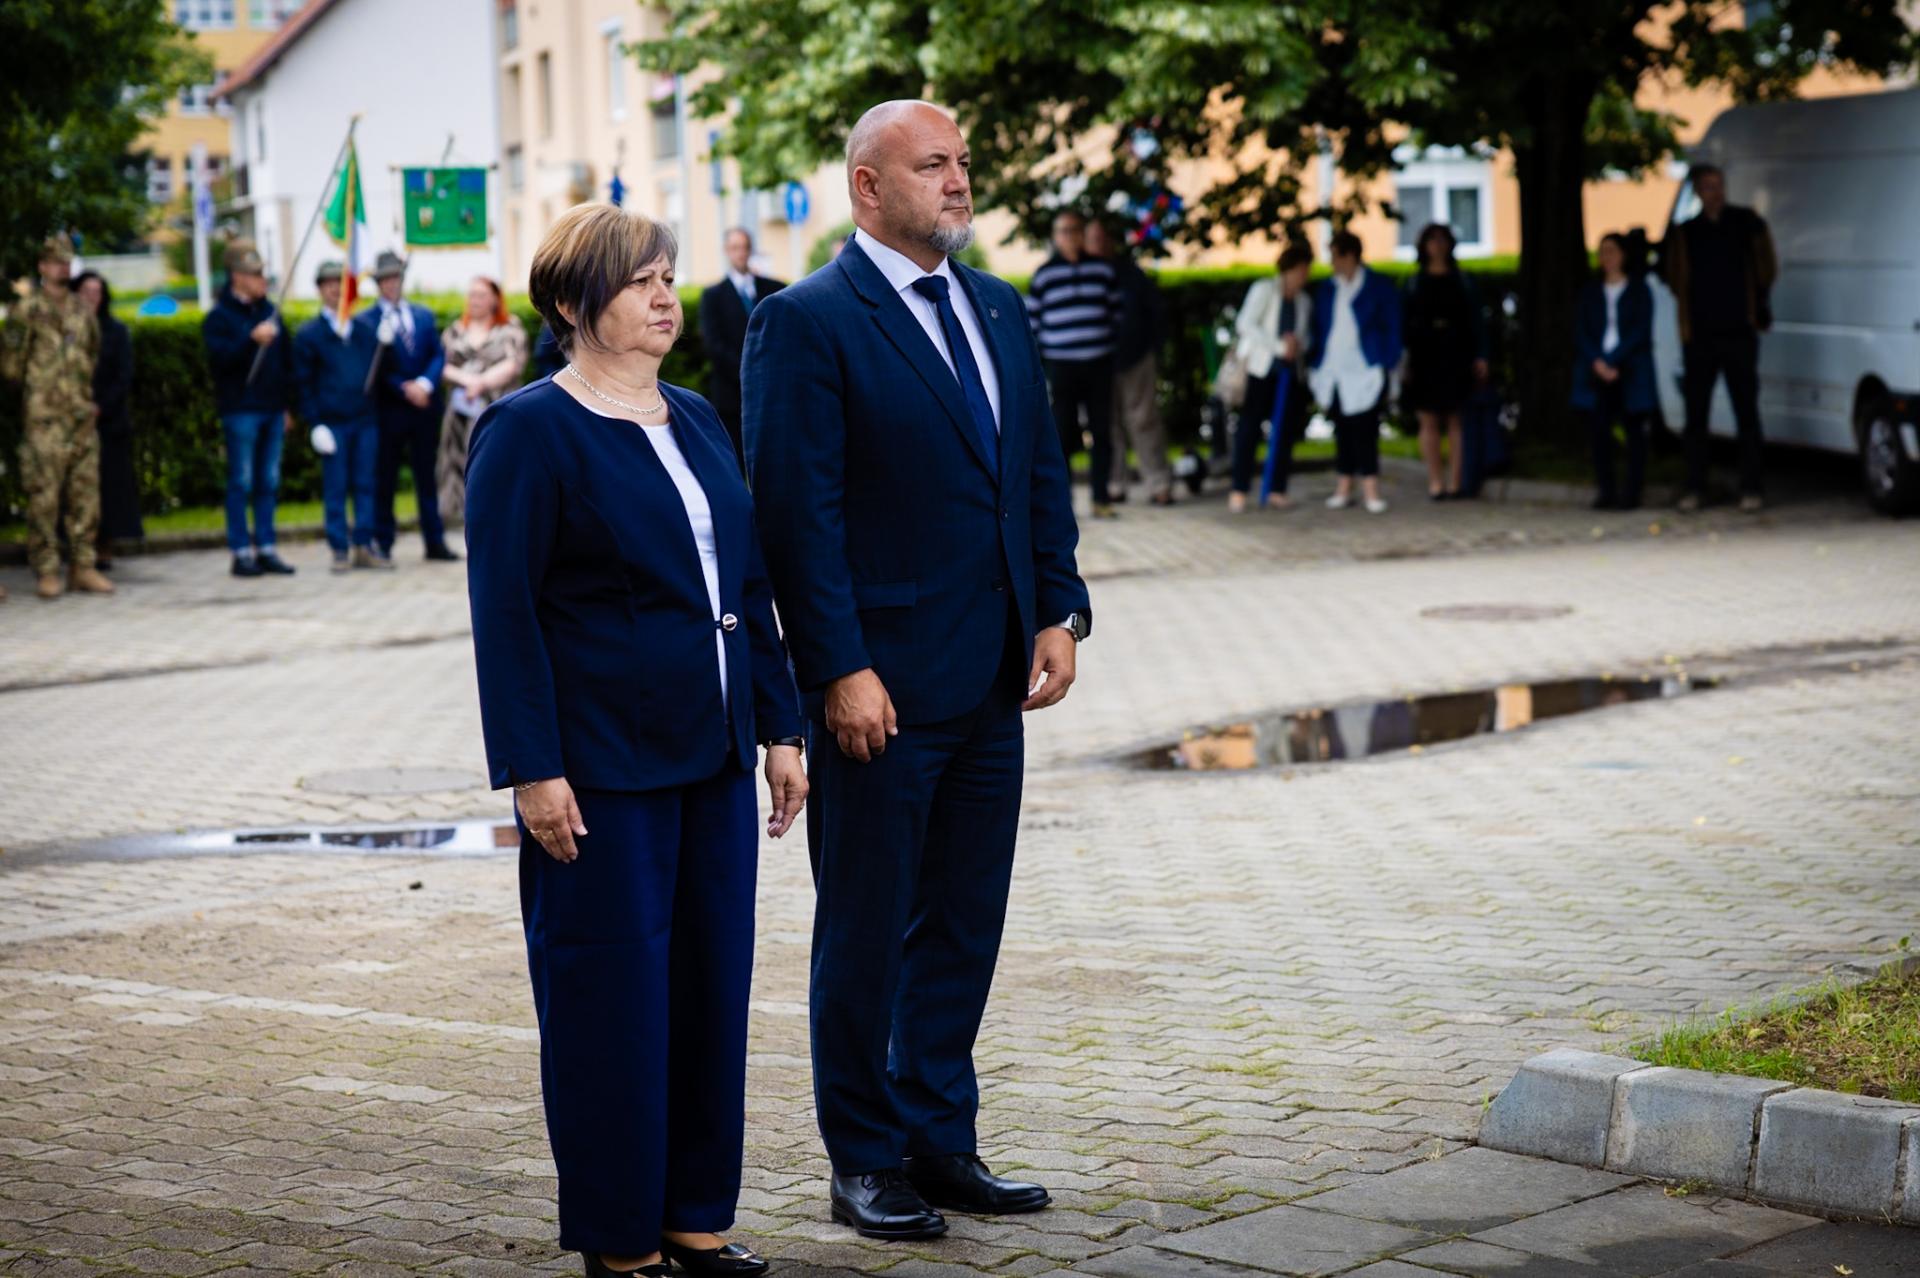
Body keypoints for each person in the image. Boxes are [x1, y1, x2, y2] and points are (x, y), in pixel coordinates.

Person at [744, 99, 1090, 1244]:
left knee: (962, 924)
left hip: (993, 682)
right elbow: (797, 518)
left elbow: (1033, 471)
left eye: (963, 161)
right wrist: (837, 668)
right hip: (879, 694)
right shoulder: (807, 322)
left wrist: (1059, 607)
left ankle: (940, 1138)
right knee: (867, 927)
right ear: (867, 185)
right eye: (933, 164)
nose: (958, 180)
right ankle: (864, 1156)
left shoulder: (996, 305)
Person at [466, 203, 806, 1278]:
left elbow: (746, 585)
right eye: (640, 282)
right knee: (609, 1006)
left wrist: (781, 724)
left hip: (714, 758)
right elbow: (506, 616)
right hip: (601, 772)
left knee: (708, 992)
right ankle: (619, 1243)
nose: (666, 297)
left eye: (669, 276)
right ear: (575, 304)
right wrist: (532, 769)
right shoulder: (529, 431)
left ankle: (694, 1217)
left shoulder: (696, 417)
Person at [1, 233, 110, 600]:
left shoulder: (82, 310)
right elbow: (11, 368)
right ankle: (47, 570)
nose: (62, 268)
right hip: (44, 419)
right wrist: (40, 393)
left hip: (80, 416)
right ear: (42, 266)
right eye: (55, 262)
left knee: (85, 495)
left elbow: (92, 353)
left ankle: (83, 566)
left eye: (66, 262)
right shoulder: (26, 311)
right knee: (43, 497)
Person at [1663, 164, 1776, 512]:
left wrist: (1756, 306)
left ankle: (1751, 487)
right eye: (1709, 187)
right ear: (1698, 192)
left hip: (1739, 332)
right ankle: (1696, 486)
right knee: (1696, 415)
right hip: (1700, 335)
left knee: (1747, 412)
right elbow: (1673, 276)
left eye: (1719, 185)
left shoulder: (1745, 223)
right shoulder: (1687, 233)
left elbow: (1767, 266)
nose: (1716, 192)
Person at [202, 241, 296, 578]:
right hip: (240, 410)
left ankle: (266, 547)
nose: (262, 280)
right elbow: (219, 362)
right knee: (241, 482)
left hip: (272, 409)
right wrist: (250, 340)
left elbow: (285, 364)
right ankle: (241, 551)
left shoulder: (271, 312)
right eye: (255, 275)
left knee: (268, 481)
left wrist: (286, 406)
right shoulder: (219, 318)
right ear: (237, 277)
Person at [358, 250, 457, 562]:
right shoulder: (367, 321)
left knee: (427, 476)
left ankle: (434, 541)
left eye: (395, 278)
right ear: (378, 284)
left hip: (424, 407)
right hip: (390, 410)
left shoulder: (422, 315)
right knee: (385, 477)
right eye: (385, 279)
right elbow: (373, 368)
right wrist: (403, 387)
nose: (391, 284)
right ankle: (384, 540)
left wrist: (425, 384)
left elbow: (436, 354)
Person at [1025, 209, 1121, 517]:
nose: (1069, 236)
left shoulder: (1103, 271)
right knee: (1061, 434)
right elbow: (1033, 324)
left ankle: (1101, 499)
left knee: (1102, 432)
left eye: (1074, 230)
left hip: (1099, 363)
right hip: (1061, 365)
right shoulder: (1044, 275)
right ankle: (1062, 502)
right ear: (1055, 237)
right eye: (1063, 231)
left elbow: (1116, 316)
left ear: (1082, 234)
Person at [295, 261, 385, 572]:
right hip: (332, 422)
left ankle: (364, 543)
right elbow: (304, 383)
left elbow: (379, 374)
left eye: (340, 283)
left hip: (364, 420)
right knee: (336, 487)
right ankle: (339, 548)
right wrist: (315, 423)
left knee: (366, 484)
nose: (335, 289)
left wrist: (386, 345)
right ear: (320, 289)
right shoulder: (310, 334)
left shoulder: (363, 331)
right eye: (328, 283)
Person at [1309, 231, 1401, 514]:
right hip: (1334, 369)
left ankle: (1370, 488)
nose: (1332, 262)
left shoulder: (1376, 285)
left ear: (1349, 255)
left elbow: (1392, 327)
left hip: (1365, 369)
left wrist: (1388, 361)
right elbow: (1318, 327)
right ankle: (1344, 486)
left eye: (1335, 255)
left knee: (1366, 429)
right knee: (1343, 429)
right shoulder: (1328, 288)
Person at [1084, 218, 1172, 505]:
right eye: (1092, 239)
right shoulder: (1081, 273)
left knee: (1144, 420)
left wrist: (1153, 349)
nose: (1098, 244)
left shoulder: (1130, 274)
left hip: (1135, 357)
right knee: (1106, 426)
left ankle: (1158, 482)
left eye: (1102, 238)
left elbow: (1154, 312)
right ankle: (1114, 483)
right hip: (1097, 362)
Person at [1400, 224, 1489, 500]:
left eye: (1442, 240)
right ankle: (1435, 481)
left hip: (1456, 354)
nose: (1437, 246)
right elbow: (1405, 324)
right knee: (1428, 418)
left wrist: (1481, 354)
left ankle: (1456, 481)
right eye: (1432, 241)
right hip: (1425, 356)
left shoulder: (1463, 280)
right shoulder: (1415, 282)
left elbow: (1476, 321)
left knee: (1456, 418)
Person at [1572, 233, 1656, 511]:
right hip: (1597, 370)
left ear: (1623, 255)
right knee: (1599, 431)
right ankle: (1606, 490)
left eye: (1612, 251)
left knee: (1634, 432)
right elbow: (1581, 331)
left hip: (1629, 369)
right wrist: (1598, 361)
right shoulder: (1590, 291)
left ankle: (1631, 492)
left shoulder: (1638, 290)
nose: (1606, 257)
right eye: (1602, 252)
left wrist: (1613, 359)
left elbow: (1640, 331)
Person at [1228, 244, 1315, 512]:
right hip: (1260, 370)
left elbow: (1306, 336)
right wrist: (1278, 346)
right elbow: (1246, 324)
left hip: (1288, 374)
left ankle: (1277, 488)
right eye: (1301, 270)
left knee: (1285, 431)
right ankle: (1239, 488)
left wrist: (1297, 345)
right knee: (1249, 428)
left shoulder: (1303, 302)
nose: (1304, 276)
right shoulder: (1265, 290)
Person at [437, 276, 527, 525]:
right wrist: (467, 380)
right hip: (461, 413)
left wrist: (482, 383)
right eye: (472, 295)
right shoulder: (455, 330)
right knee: (461, 464)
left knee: (497, 462)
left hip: (498, 409)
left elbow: (514, 363)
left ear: (495, 299)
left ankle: (502, 514)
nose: (474, 300)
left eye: (481, 295)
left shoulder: (510, 327)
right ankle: (464, 516)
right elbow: (441, 365)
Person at [699, 228, 785, 468]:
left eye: (744, 247)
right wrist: (749, 372)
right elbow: (713, 345)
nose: (740, 253)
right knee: (735, 461)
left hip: (770, 392)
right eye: (735, 248)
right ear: (727, 251)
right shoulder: (713, 296)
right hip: (730, 395)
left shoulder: (773, 289)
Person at [74, 271, 143, 562]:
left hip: (108, 420)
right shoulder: (66, 330)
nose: (92, 297)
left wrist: (101, 406)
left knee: (110, 486)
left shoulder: (115, 331)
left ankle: (105, 544)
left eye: (97, 292)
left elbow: (123, 376)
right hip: (72, 419)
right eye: (86, 291)